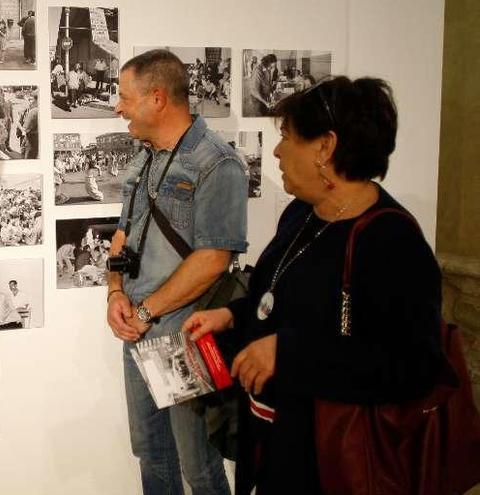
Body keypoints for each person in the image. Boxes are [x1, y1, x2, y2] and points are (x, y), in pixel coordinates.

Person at [183, 77, 444, 494]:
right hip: (275, 449)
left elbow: (414, 367)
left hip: (332, 466)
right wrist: (231, 315)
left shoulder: (392, 243)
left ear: (325, 147)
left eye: (287, 136)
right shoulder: (303, 214)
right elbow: (280, 299)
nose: (277, 150)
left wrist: (290, 353)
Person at [107, 49, 247, 495]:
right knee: (151, 452)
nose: (117, 105)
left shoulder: (216, 162)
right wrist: (114, 293)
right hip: (138, 330)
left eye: (125, 96)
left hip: (185, 334)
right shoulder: (146, 157)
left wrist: (145, 311)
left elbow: (213, 259)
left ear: (158, 98)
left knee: (197, 464)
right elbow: (121, 240)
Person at [17, 92, 38, 159]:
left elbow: (25, 129)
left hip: (29, 138)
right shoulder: (26, 109)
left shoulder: (33, 111)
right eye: (28, 100)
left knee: (27, 156)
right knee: (23, 150)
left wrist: (19, 125)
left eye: (31, 99)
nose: (29, 102)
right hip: (25, 136)